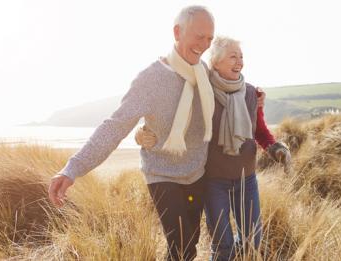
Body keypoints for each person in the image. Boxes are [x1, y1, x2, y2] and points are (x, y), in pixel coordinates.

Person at [49, 5, 216, 261]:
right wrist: (73, 168)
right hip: (162, 173)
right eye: (199, 36)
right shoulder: (150, 79)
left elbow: (229, 92)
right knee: (181, 244)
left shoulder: (203, 72)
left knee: (189, 244)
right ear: (177, 32)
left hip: (197, 172)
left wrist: (255, 99)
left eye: (209, 39)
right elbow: (115, 126)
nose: (204, 44)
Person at [136, 36, 291, 260]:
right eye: (232, 56)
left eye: (241, 56)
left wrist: (274, 147)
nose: (239, 61)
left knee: (252, 240)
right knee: (222, 244)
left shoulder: (250, 94)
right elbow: (174, 118)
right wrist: (142, 132)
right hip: (213, 182)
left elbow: (259, 131)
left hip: (247, 180)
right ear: (215, 62)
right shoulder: (201, 92)